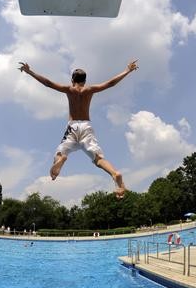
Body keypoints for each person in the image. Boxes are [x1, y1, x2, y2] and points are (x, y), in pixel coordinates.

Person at [18, 59, 138, 198]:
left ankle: (61, 159)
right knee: (98, 158)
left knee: (60, 152)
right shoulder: (90, 90)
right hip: (86, 127)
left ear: (72, 79)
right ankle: (114, 174)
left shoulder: (69, 90)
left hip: (73, 127)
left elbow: (48, 83)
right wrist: (127, 70)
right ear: (84, 81)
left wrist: (30, 72)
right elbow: (111, 83)